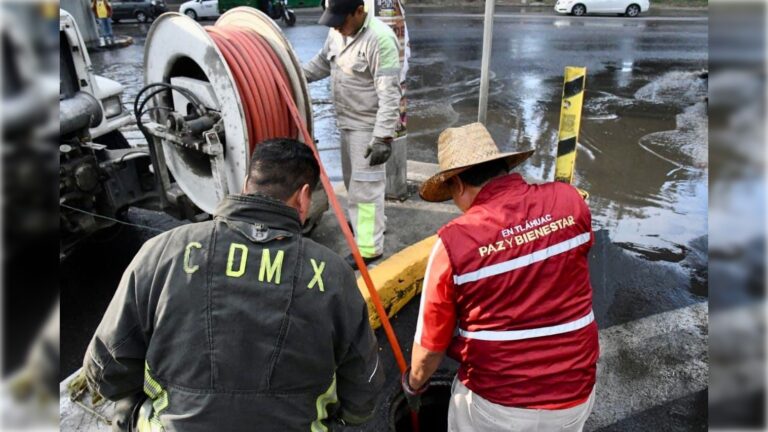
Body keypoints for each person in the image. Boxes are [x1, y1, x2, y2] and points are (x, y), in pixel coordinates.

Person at [82, 138, 384, 431]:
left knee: (125, 410)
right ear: (304, 196)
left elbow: (105, 370)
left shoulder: (164, 250)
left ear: (246, 185)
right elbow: (363, 393)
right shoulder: (332, 274)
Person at [402, 123, 599, 431]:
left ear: (457, 184)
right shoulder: (570, 201)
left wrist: (414, 384)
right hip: (575, 393)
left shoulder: (454, 243)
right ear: (503, 167)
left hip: (498, 404)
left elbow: (430, 347)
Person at [303, 0, 402, 269]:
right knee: (353, 183)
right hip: (346, 123)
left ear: (359, 11)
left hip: (368, 129)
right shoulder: (337, 32)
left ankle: (369, 248)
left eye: (341, 21)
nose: (336, 27)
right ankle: (369, 225)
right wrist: (296, 75)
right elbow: (322, 62)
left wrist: (382, 138)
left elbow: (390, 95)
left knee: (365, 190)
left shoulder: (380, 40)